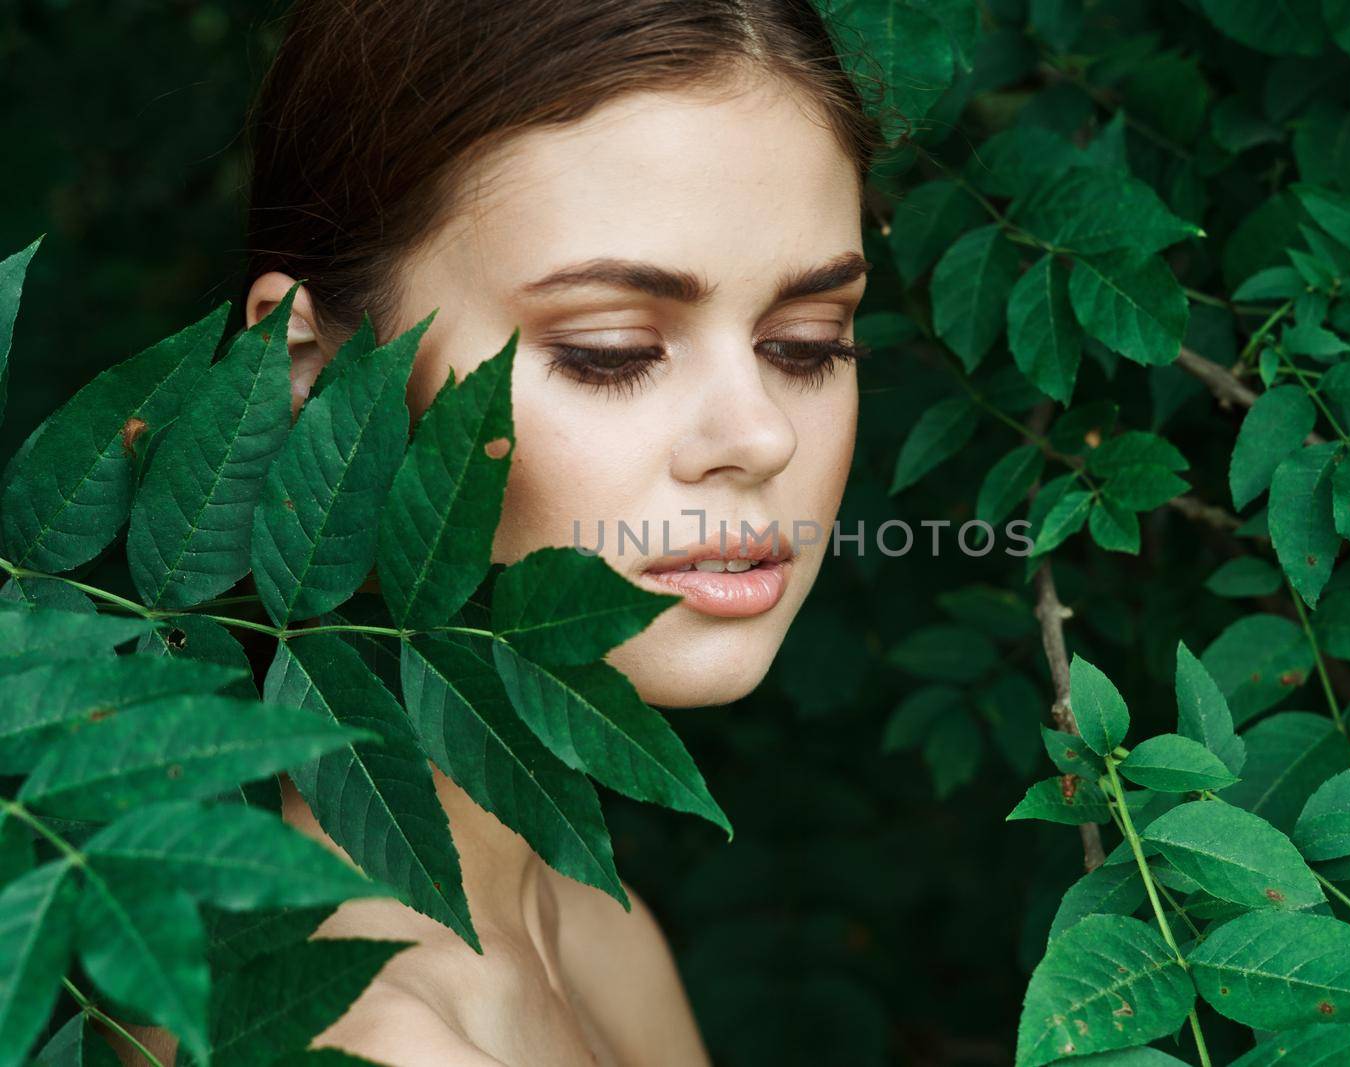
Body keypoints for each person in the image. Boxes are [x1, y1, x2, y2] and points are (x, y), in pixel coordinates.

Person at [114, 1, 880, 1064]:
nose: (757, 436)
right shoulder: (361, 1039)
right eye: (611, 350)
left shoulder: (587, 916)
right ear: (302, 374)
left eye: (806, 342)